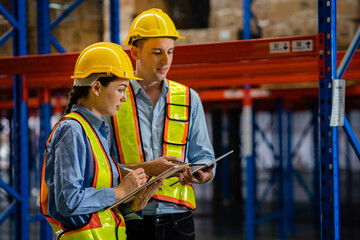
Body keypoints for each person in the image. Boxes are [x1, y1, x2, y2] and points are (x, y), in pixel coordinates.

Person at [104, 8, 216, 240]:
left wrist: (202, 173)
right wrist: (148, 168)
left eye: (170, 52)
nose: (166, 60)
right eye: (157, 53)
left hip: (178, 221)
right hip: (129, 217)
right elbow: (100, 167)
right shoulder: (114, 98)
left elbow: (205, 157)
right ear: (135, 52)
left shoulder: (188, 98)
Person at [40, 42, 164, 240]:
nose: (124, 98)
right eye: (121, 89)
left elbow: (96, 207)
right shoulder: (72, 130)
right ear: (96, 87)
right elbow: (68, 201)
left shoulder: (95, 132)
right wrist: (119, 191)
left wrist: (131, 202)